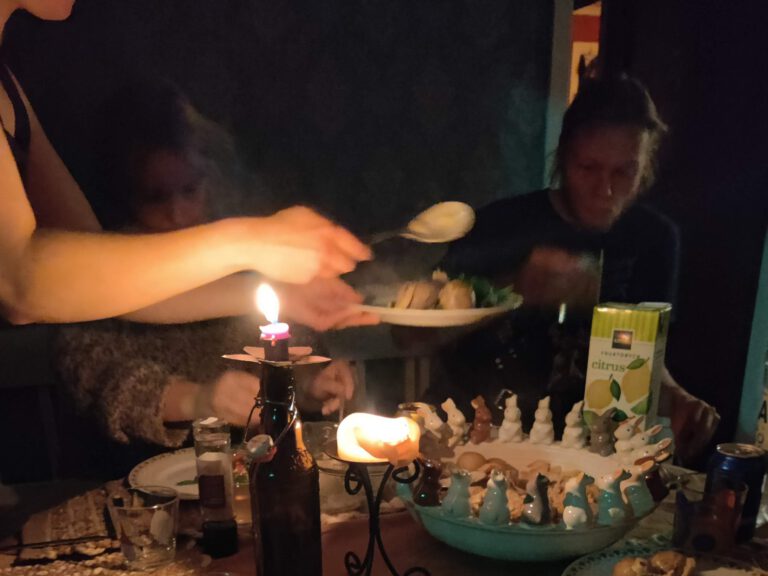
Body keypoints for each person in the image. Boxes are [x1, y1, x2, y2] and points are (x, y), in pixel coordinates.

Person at [0, 1, 374, 333]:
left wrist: (283, 294)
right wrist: (250, 241)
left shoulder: (8, 88)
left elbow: (85, 278)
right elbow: (20, 284)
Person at [54, 79, 354, 468]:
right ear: (126, 194)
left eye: (189, 189)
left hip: (258, 470)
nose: (177, 213)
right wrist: (198, 399)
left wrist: (312, 385)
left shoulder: (243, 257)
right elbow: (103, 382)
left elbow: (288, 353)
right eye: (156, 196)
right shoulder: (100, 270)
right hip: (147, 475)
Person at [427, 74, 719, 463]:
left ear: (645, 167)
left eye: (623, 172)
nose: (606, 190)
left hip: (586, 454)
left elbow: (644, 351)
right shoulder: (498, 227)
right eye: (588, 168)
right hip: (471, 439)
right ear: (563, 157)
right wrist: (515, 288)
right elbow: (410, 337)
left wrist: (675, 394)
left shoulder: (655, 238)